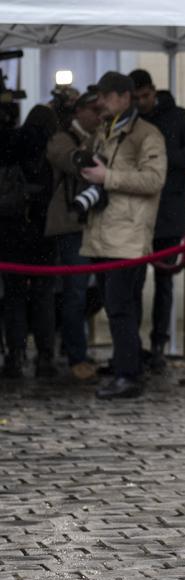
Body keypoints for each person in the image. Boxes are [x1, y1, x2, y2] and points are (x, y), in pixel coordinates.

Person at [79, 71, 167, 399]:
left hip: (127, 237)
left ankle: (129, 376)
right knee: (114, 306)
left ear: (123, 97)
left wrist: (108, 177)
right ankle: (124, 365)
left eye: (106, 96)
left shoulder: (147, 134)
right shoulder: (105, 129)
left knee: (120, 308)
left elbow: (154, 180)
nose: (100, 102)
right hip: (103, 233)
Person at [129, 69, 185, 372]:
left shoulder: (178, 116)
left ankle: (159, 344)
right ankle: (132, 345)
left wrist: (163, 158)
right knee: (132, 283)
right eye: (136, 98)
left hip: (169, 212)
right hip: (137, 215)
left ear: (153, 90)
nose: (142, 102)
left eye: (145, 96)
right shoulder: (130, 121)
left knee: (164, 284)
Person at [45, 85, 103, 382]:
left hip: (97, 224)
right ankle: (75, 355)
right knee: (75, 292)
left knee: (96, 292)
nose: (100, 116)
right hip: (71, 225)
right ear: (78, 111)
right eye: (94, 110)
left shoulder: (99, 136)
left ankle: (76, 347)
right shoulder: (62, 138)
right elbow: (77, 163)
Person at [0, 104, 59, 379]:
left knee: (14, 298)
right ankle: (45, 356)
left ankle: (15, 354)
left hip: (11, 232)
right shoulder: (52, 150)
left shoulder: (10, 143)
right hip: (43, 233)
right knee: (43, 297)